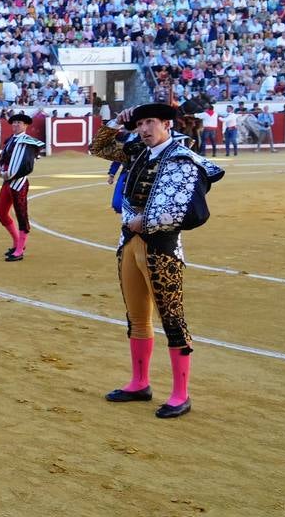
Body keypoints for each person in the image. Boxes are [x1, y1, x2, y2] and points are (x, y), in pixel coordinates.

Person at [89, 103, 224, 419]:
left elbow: (186, 211)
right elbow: (99, 147)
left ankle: (181, 393)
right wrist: (115, 121)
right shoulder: (137, 151)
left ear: (166, 124)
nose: (144, 129)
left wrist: (145, 222)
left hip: (162, 248)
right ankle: (140, 382)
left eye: (150, 122)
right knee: (136, 317)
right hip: (129, 244)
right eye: (139, 124)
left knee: (172, 317)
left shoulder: (182, 159)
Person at [0, 113, 45, 262]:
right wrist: (0, 169)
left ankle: (19, 250)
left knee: (22, 216)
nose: (16, 125)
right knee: (1, 214)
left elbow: (29, 161)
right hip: (7, 181)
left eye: (19, 123)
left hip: (19, 183)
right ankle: (18, 243)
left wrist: (8, 173)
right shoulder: (10, 140)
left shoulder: (28, 142)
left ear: (25, 125)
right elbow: (4, 157)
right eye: (14, 122)